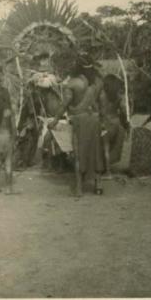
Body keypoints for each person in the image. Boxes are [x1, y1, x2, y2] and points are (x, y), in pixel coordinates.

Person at [48, 54, 105, 196]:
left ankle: (79, 188)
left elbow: (64, 104)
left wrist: (55, 120)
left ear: (77, 67)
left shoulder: (73, 83)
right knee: (96, 151)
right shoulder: (98, 82)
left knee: (79, 154)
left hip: (79, 120)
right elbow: (101, 103)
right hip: (95, 119)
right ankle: (98, 185)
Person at [100, 74, 129, 178]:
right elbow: (123, 110)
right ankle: (106, 168)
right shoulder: (118, 96)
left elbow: (102, 112)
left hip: (106, 123)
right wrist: (126, 122)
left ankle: (108, 172)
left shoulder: (102, 96)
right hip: (116, 123)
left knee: (105, 148)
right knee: (111, 147)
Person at [0, 81, 16, 194]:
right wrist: (14, 140)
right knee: (8, 163)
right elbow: (13, 128)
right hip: (7, 137)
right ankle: (8, 188)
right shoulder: (9, 112)